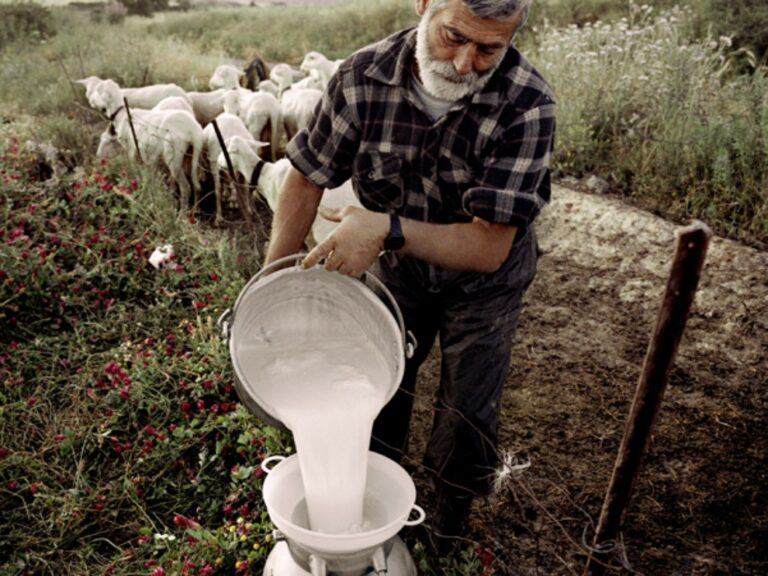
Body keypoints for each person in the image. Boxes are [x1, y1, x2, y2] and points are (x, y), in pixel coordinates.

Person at [264, 0, 555, 550]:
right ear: (423, 3)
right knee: (376, 386)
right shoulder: (361, 77)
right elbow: (306, 177)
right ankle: (368, 504)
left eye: (490, 48)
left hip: (483, 283)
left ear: (515, 33)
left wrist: (383, 228)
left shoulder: (528, 104)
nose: (466, 63)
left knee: (468, 407)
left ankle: (447, 523)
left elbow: (490, 247)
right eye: (453, 37)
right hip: (399, 268)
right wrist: (274, 282)